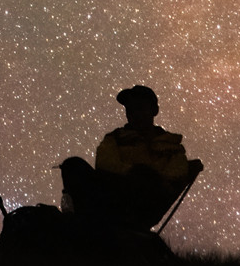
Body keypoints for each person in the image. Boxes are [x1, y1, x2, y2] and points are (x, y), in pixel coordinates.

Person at [59, 84, 203, 232]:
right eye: (130, 109)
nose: (134, 114)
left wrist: (144, 175)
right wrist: (135, 173)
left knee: (145, 178)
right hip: (112, 194)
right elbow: (105, 165)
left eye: (140, 108)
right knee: (72, 165)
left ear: (154, 111)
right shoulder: (114, 139)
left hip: (147, 202)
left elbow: (175, 174)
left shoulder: (172, 147)